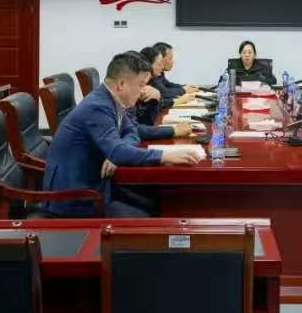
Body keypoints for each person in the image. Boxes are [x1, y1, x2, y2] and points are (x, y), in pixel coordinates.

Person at [42, 52, 202, 218]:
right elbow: (118, 150)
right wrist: (165, 156)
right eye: (141, 84)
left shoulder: (111, 99)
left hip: (98, 185)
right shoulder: (98, 106)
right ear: (121, 84)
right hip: (75, 197)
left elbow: (131, 132)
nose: (143, 91)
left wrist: (116, 151)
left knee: (156, 204)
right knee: (150, 219)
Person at [133, 47, 192, 141]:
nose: (162, 67)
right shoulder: (124, 97)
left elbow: (148, 122)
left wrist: (156, 100)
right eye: (160, 63)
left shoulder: (148, 84)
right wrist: (173, 131)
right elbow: (134, 128)